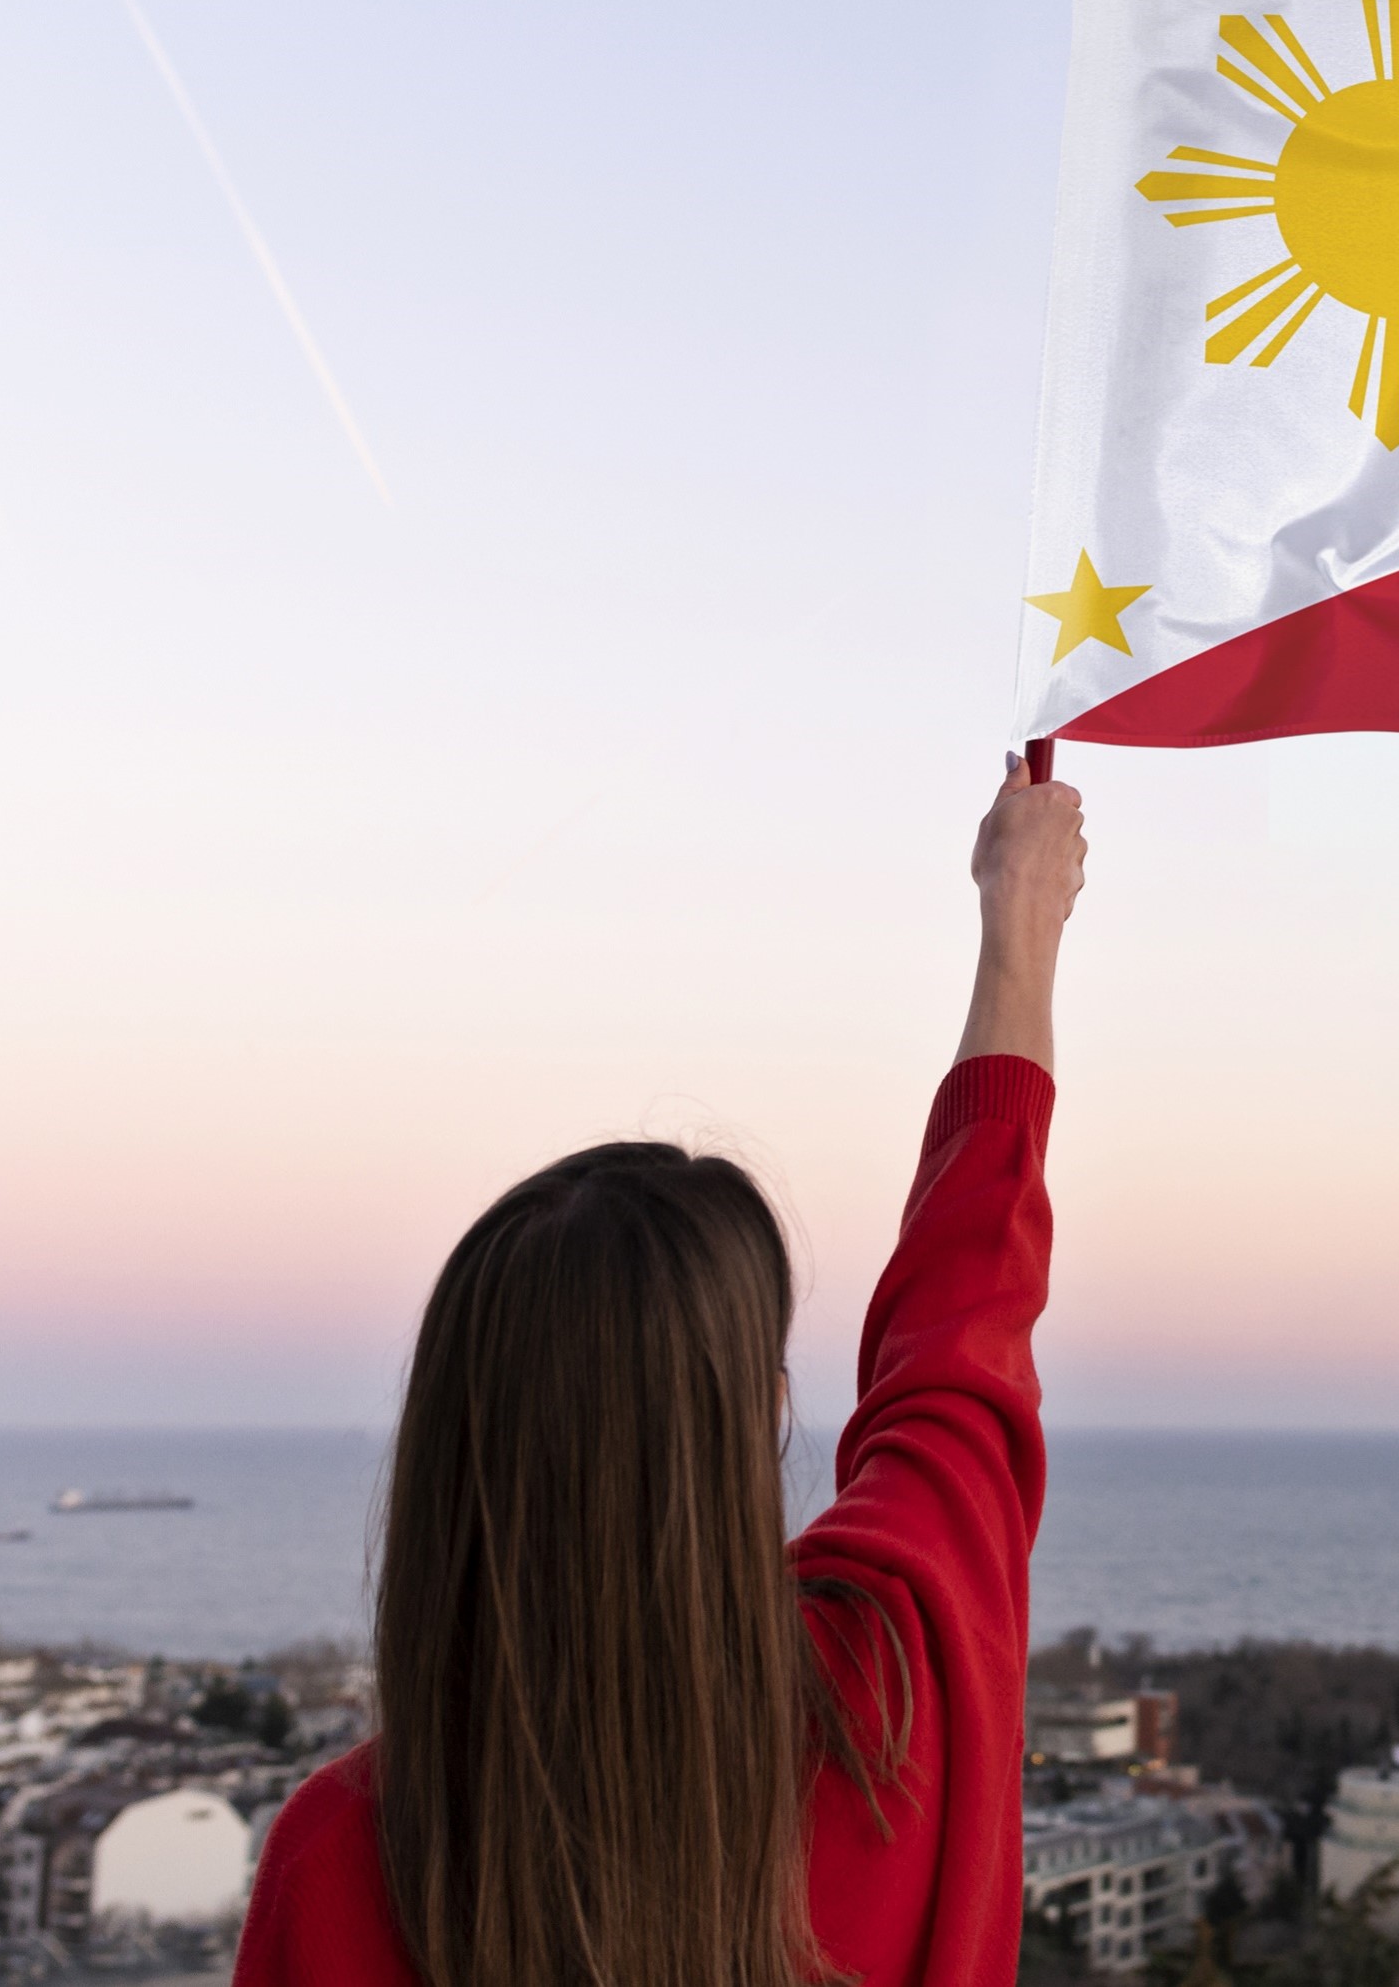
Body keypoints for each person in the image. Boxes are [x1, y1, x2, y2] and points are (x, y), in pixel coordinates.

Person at [233, 766, 1088, 1987]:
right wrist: (1020, 934)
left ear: (451, 1460)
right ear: (760, 1423)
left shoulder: (344, 1864)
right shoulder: (890, 1707)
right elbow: (959, 1348)